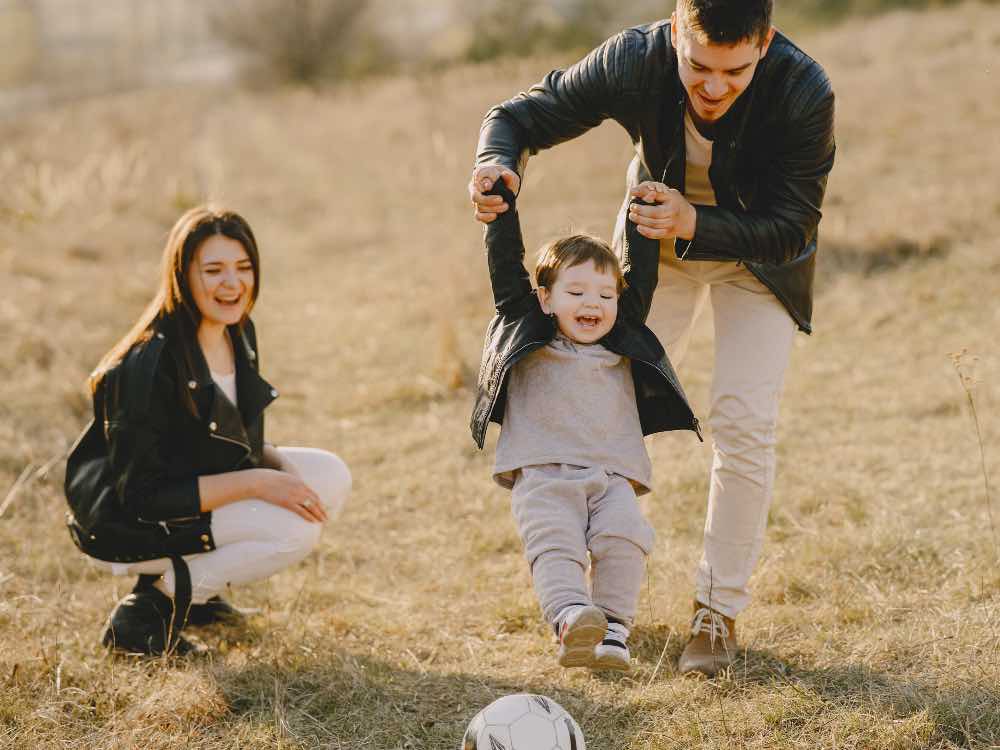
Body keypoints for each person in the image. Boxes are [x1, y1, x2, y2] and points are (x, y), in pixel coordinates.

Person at [469, 0, 835, 676]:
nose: (714, 87)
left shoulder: (804, 88)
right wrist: (497, 163)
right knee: (603, 403)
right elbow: (518, 116)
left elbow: (793, 226)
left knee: (743, 421)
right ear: (673, 34)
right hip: (649, 258)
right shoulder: (634, 59)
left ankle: (716, 612)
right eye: (698, 66)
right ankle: (583, 604)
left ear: (765, 43)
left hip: (759, 262)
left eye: (735, 71)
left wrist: (696, 220)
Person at [64, 206, 351, 656]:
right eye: (213, 270)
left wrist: (277, 466)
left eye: (243, 267)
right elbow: (142, 496)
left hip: (188, 492)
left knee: (330, 475)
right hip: (127, 521)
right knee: (294, 532)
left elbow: (222, 439)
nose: (232, 283)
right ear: (182, 276)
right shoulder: (149, 364)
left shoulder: (238, 332)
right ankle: (148, 611)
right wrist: (258, 482)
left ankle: (199, 597)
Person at [471, 179, 699, 670]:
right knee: (556, 544)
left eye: (605, 294)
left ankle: (613, 629)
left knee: (624, 539)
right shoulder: (528, 328)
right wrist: (500, 210)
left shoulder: (622, 337)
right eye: (575, 292)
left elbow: (641, 272)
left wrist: (644, 206)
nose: (592, 304)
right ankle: (571, 618)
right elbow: (505, 267)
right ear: (545, 299)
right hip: (543, 472)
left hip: (612, 474)